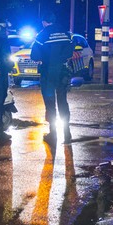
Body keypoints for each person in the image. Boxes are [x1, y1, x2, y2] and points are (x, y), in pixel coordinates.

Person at [31, 10, 75, 143]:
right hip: (63, 72)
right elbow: (70, 52)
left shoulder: (41, 35)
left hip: (48, 73)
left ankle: (53, 134)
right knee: (63, 102)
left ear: (44, 22)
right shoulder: (66, 34)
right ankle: (67, 134)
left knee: (50, 104)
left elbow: (34, 56)